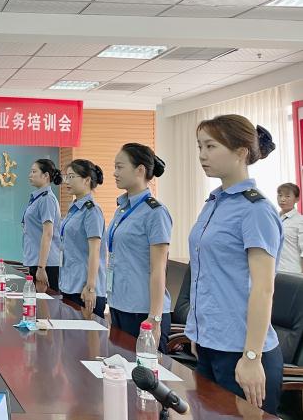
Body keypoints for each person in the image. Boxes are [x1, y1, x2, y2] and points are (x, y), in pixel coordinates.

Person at [186, 115, 283, 415]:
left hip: (243, 353)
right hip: (209, 344)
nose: (202, 155)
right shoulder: (214, 203)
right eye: (200, 147)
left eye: (211, 146)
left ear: (241, 152)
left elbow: (263, 289)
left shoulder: (256, 210)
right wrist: (199, 333)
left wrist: (252, 357)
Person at [107, 143, 172, 352]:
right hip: (119, 305)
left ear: (140, 170)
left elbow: (158, 269)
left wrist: (155, 317)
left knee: (144, 370)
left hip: (143, 312)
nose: (115, 173)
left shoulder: (155, 212)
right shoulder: (122, 209)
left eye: (120, 167)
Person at [58, 159, 107, 317]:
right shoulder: (74, 209)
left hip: (84, 289)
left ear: (86, 180)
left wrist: (91, 287)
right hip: (69, 283)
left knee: (84, 333)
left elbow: (95, 251)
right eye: (66, 177)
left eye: (71, 177)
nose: (67, 181)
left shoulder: (92, 211)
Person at [25, 159, 62, 292]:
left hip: (46, 264)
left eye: (34, 171)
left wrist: (41, 267)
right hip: (37, 260)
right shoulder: (39, 198)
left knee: (46, 303)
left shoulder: (47, 199)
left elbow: (48, 233)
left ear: (46, 175)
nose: (30, 175)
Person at [277, 182, 303, 274]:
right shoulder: (274, 218)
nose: (282, 199)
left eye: (287, 196)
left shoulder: (300, 221)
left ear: (297, 199)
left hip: (292, 271)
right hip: (273, 270)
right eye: (280, 195)